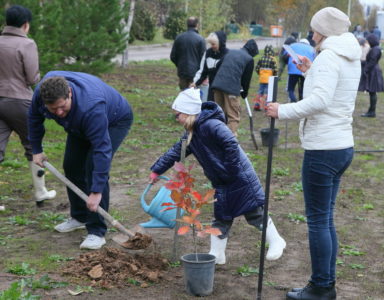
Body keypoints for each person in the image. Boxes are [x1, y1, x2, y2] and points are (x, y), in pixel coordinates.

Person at [266, 7, 361, 300]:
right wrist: (311, 71)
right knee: (326, 220)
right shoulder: (345, 56)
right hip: (341, 145)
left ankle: (321, 287)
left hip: (323, 149)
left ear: (325, 31)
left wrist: (282, 110)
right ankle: (325, 284)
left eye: (315, 30)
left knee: (319, 221)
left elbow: (320, 101)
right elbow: (332, 91)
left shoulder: (329, 57)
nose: (311, 34)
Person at [149, 88, 286, 264]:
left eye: (178, 115)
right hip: (222, 181)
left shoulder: (210, 125)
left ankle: (276, 240)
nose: (176, 119)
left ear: (189, 112)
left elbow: (230, 142)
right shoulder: (193, 132)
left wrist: (230, 168)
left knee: (254, 212)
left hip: (238, 176)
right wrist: (157, 170)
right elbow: (176, 151)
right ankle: (217, 254)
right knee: (222, 215)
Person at [28, 71, 133, 250]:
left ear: (69, 92)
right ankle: (79, 217)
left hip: (115, 119)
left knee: (93, 166)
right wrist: (36, 149)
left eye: (62, 107)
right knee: (71, 166)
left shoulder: (91, 107)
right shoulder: (41, 94)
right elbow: (34, 119)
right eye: (53, 110)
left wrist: (96, 191)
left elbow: (102, 149)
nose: (59, 113)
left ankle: (97, 231)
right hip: (78, 122)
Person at [0, 5, 56, 204]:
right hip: (19, 100)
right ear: (25, 25)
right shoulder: (27, 44)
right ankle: (40, 192)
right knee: (33, 146)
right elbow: (32, 78)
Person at [211, 39, 259, 136]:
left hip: (217, 85)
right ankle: (229, 142)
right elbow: (246, 79)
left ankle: (216, 137)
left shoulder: (230, 52)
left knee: (219, 114)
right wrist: (244, 93)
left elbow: (218, 64)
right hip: (231, 89)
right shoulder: (249, 59)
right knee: (233, 116)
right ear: (253, 52)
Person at [170, 17, 206, 90]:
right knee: (194, 95)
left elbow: (173, 56)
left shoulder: (179, 37)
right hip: (195, 73)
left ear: (187, 25)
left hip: (182, 71)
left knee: (183, 94)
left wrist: (179, 64)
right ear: (197, 25)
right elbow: (203, 58)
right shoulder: (200, 39)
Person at [193, 31, 228, 102]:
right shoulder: (208, 53)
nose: (211, 46)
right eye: (210, 44)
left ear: (220, 43)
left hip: (225, 89)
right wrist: (196, 83)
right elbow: (204, 72)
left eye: (213, 44)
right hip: (212, 89)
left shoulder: (228, 54)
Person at [359, 34, 384, 118]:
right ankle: (371, 111)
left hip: (373, 71)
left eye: (369, 40)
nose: (368, 42)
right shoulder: (375, 49)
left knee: (372, 92)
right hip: (373, 70)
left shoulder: (375, 49)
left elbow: (372, 61)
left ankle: (372, 112)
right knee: (372, 92)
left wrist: (366, 70)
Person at [253, 45, 277, 111]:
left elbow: (257, 68)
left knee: (260, 92)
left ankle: (256, 105)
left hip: (262, 79)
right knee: (267, 93)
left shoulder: (261, 59)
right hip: (269, 79)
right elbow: (275, 69)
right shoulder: (272, 59)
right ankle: (266, 106)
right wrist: (274, 76)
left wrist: (260, 74)